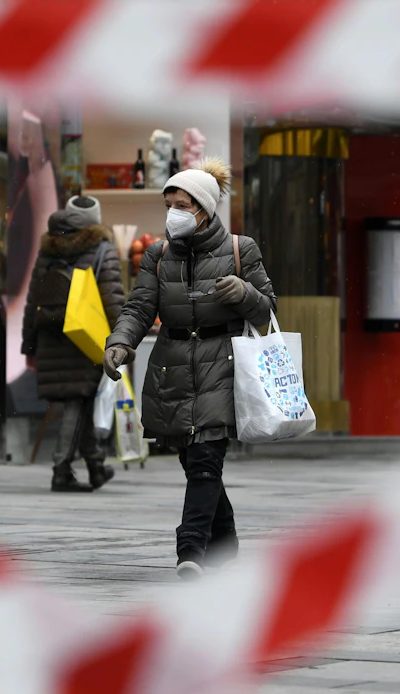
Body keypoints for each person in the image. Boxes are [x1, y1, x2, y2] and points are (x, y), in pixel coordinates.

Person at [103, 158, 277, 579]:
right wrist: (121, 341)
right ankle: (225, 542)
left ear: (203, 208)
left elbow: (268, 309)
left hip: (223, 362)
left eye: (182, 204)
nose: (173, 214)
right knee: (193, 461)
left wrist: (244, 292)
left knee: (205, 460)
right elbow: (141, 305)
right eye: (169, 205)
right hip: (173, 366)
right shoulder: (158, 255)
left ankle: (191, 551)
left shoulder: (241, 248)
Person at [22, 196, 125, 492]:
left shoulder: (48, 248)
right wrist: (122, 338)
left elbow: (32, 301)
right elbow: (112, 297)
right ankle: (61, 469)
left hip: (49, 335)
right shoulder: (101, 248)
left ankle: (94, 466)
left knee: (79, 399)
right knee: (77, 401)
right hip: (83, 335)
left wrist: (29, 346)